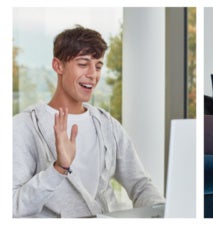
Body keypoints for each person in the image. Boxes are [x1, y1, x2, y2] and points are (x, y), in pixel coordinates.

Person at [13, 26, 164, 218]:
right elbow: (12, 206)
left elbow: (140, 185)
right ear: (58, 66)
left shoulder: (108, 125)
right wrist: (58, 168)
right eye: (83, 64)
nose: (93, 74)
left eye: (98, 66)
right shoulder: (24, 127)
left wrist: (163, 212)